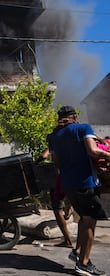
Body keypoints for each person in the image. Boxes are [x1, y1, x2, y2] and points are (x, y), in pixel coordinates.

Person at [48, 105, 110, 276]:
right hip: (86, 183)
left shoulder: (53, 136)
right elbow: (93, 151)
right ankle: (83, 264)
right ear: (75, 116)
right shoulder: (83, 128)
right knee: (90, 223)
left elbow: (57, 163)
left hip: (69, 184)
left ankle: (76, 252)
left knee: (85, 218)